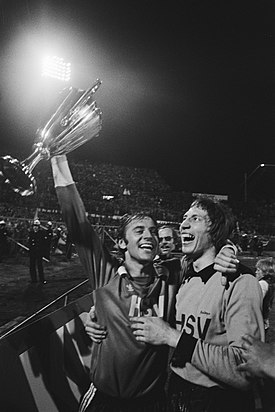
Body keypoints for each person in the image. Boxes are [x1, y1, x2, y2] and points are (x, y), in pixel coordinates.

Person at [50, 155, 238, 412]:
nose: (148, 235)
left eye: (152, 231)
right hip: (104, 401)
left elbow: (207, 250)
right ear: (121, 243)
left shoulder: (172, 274)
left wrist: (228, 248)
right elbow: (77, 222)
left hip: (152, 403)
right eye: (139, 230)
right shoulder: (106, 275)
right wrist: (58, 159)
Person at [130, 197, 265, 412]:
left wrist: (171, 336)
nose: (183, 224)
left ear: (215, 231)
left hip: (217, 400)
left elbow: (246, 372)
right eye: (184, 218)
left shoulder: (240, 282)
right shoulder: (183, 272)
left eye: (195, 219)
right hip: (175, 388)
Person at [255, 257, 275, 332]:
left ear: (265, 273)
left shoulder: (262, 284)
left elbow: (256, 301)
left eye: (258, 270)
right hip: (264, 320)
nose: (256, 272)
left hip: (258, 321)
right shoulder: (270, 284)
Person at [28, 219, 47, 284]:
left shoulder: (42, 233)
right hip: (32, 252)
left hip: (39, 252)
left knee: (39, 266)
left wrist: (43, 253)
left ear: (39, 227)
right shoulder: (31, 233)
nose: (35, 227)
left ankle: (42, 279)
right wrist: (29, 249)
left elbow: (44, 244)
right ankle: (34, 280)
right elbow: (29, 242)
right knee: (32, 266)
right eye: (34, 226)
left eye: (36, 226)